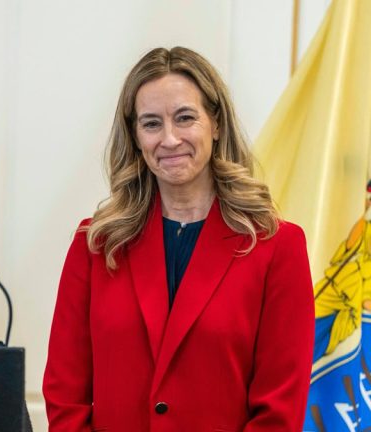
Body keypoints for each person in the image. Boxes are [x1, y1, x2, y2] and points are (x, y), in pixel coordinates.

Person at [43, 47, 314, 431]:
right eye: (151, 124)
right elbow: (64, 397)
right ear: (136, 136)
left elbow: (279, 411)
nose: (169, 139)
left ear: (215, 123)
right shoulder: (96, 244)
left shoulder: (276, 247)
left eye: (185, 118)